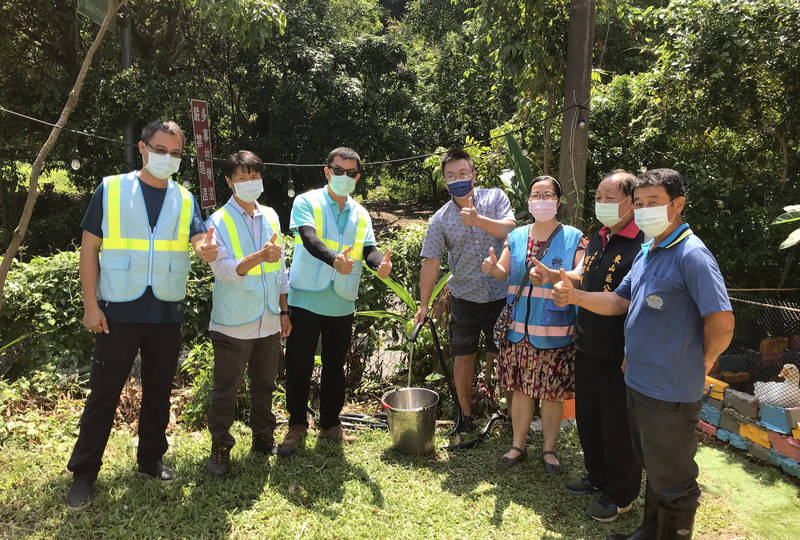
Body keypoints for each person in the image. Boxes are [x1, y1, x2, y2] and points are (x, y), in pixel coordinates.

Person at [552, 169, 734, 539]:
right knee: (654, 466)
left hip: (670, 390)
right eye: (639, 204)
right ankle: (649, 532)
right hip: (638, 382)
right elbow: (620, 301)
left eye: (654, 203)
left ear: (677, 205)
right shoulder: (650, 250)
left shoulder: (691, 255)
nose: (645, 210)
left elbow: (722, 322)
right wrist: (577, 296)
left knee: (674, 478)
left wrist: (703, 361)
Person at [66, 120, 216, 508]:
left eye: (176, 152)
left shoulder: (184, 198)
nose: (168, 157)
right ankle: (84, 472)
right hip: (117, 310)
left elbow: (199, 239)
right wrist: (90, 305)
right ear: (143, 148)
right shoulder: (112, 188)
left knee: (159, 391)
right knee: (104, 393)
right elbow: (89, 249)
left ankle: (150, 458)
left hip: (166, 310)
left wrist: (207, 249)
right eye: (161, 149)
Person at [530, 170, 643, 521]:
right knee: (589, 417)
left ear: (631, 202)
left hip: (619, 351)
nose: (602, 204)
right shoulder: (601, 236)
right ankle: (597, 476)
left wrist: (574, 295)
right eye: (599, 197)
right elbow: (584, 272)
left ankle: (621, 494)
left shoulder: (642, 245)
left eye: (610, 198)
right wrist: (551, 276)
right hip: (588, 342)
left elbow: (621, 300)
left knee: (618, 424)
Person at [277, 147, 392, 457]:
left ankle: (330, 423)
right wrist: (333, 260)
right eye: (338, 170)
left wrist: (380, 264)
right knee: (298, 364)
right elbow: (309, 239)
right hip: (306, 296)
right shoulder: (307, 201)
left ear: (357, 177)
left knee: (334, 365)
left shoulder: (361, 213)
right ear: (327, 171)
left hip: (342, 299)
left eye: (350, 172)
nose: (344, 176)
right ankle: (297, 424)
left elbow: (368, 250)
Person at [482, 175, 586, 473]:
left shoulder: (574, 238)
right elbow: (504, 270)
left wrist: (555, 276)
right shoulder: (515, 237)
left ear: (558, 200)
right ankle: (518, 445)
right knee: (521, 390)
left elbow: (581, 275)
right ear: (528, 200)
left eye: (547, 195)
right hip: (518, 332)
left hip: (554, 331)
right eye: (535, 195)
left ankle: (549, 450)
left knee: (552, 394)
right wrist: (492, 268)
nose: (540, 200)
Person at [415, 147, 516, 433]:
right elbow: (431, 262)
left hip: (502, 295)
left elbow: (511, 230)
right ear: (444, 181)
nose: (458, 178)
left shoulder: (495, 197)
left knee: (506, 356)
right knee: (463, 356)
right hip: (464, 297)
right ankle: (465, 419)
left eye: (463, 173)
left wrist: (478, 220)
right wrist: (424, 305)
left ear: (473, 174)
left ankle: (512, 419)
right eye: (451, 175)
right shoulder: (441, 218)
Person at [204, 151, 291, 476]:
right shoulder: (217, 222)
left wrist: (284, 310)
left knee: (264, 384)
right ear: (229, 182)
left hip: (268, 317)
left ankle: (263, 437)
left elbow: (280, 266)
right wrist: (259, 257)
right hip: (233, 322)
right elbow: (224, 271)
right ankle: (220, 448)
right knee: (226, 389)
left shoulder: (270, 215)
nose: (250, 183)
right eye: (242, 178)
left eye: (254, 176)